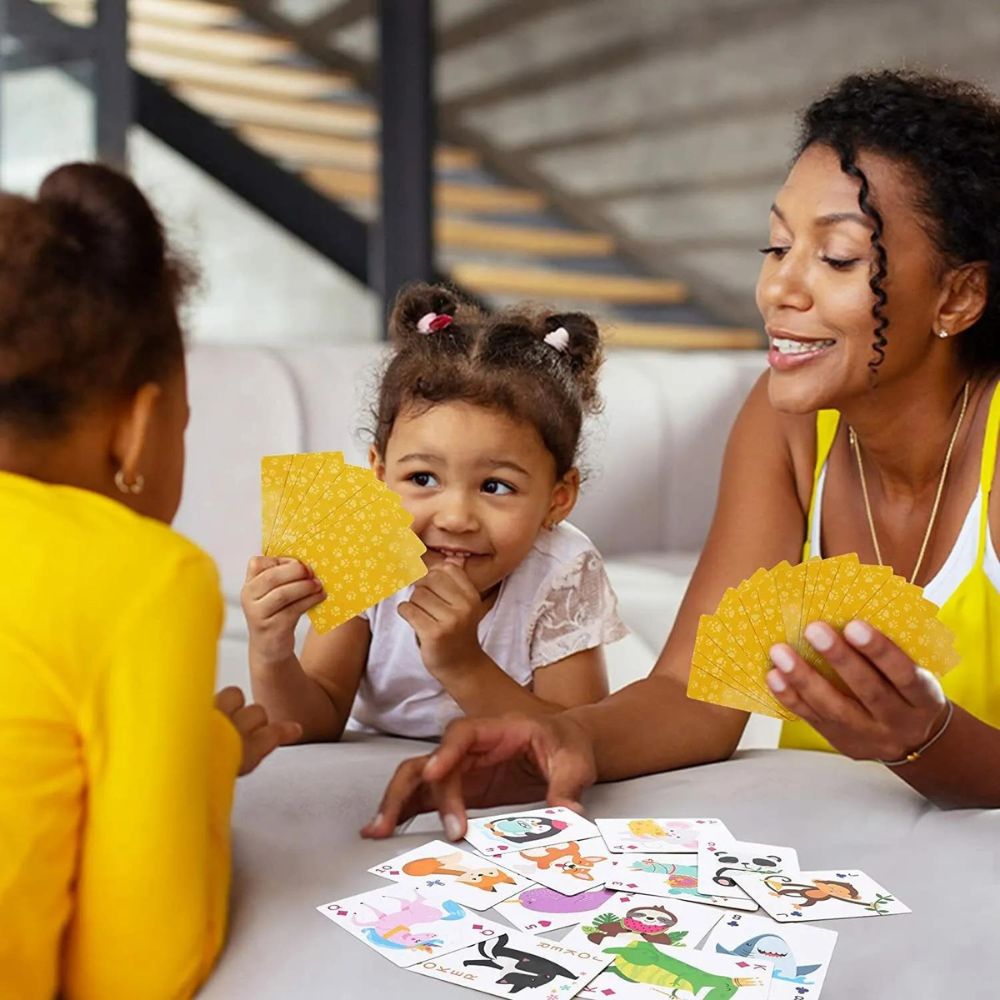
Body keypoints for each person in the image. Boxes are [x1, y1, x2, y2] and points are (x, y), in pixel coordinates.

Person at [362, 69, 1000, 838]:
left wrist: (925, 741)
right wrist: (558, 737)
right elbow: (699, 694)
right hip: (841, 850)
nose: (776, 290)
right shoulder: (785, 422)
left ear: (958, 298)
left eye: (836, 259)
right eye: (776, 245)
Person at [0, 163, 299, 999]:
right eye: (183, 421)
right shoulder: (145, 578)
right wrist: (207, 749)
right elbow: (135, 973)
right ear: (136, 427)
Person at [242, 283, 625, 747]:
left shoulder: (562, 571)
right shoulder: (361, 547)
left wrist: (461, 662)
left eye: (495, 486)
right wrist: (271, 650)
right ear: (379, 475)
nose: (456, 517)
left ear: (557, 499)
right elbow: (313, 721)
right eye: (423, 479)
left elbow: (578, 738)